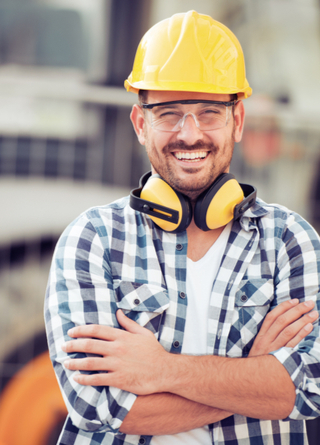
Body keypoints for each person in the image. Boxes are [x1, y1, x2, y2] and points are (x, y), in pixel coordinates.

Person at [45, 10, 320, 445]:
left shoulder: (292, 241)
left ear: (238, 120)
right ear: (141, 124)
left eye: (210, 112)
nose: (189, 134)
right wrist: (256, 371)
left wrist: (162, 369)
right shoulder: (93, 239)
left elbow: (308, 389)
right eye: (169, 113)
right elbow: (95, 406)